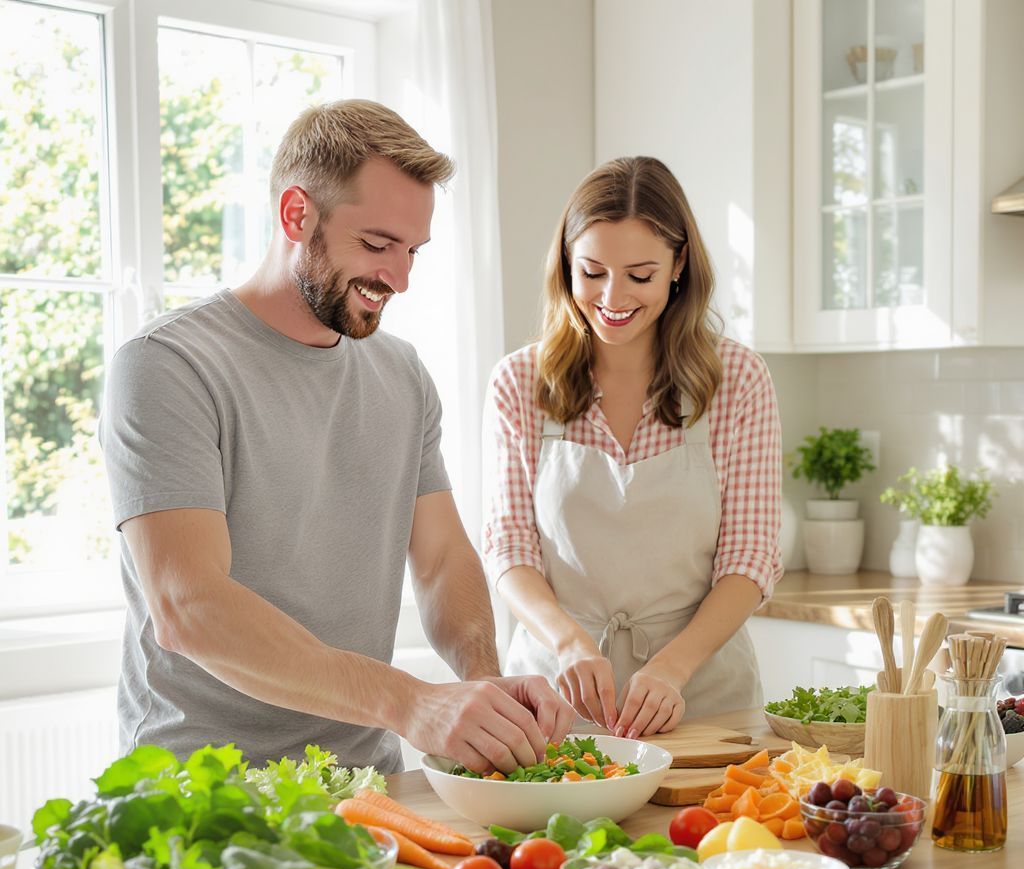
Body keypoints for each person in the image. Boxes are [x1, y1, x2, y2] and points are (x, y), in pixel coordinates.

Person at [99, 99, 574, 775]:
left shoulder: (401, 373)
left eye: (412, 251)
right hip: (199, 792)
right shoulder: (167, 366)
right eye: (377, 245)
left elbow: (440, 560)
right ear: (297, 215)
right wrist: (411, 703)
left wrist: (482, 680)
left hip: (363, 788)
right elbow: (189, 606)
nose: (399, 278)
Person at [483, 156, 783, 741]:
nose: (612, 297)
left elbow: (749, 558)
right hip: (556, 693)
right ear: (565, 264)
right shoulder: (519, 383)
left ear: (679, 267)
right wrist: (568, 641)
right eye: (591, 272)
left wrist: (672, 666)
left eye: (639, 276)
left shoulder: (737, 379)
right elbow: (508, 547)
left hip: (702, 694)